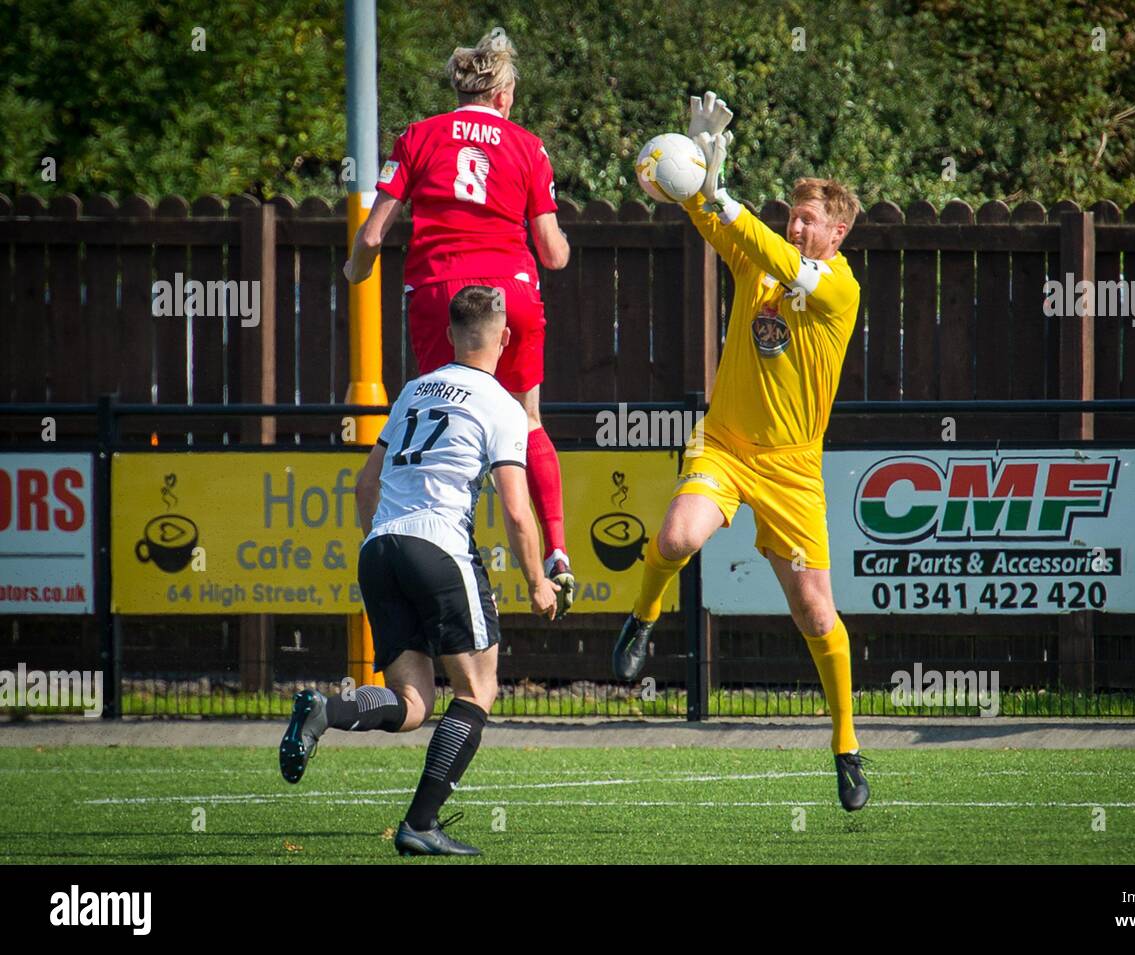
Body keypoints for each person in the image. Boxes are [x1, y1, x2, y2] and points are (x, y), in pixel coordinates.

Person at [611, 93, 870, 811]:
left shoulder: (839, 287)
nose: (797, 223)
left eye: (810, 217)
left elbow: (772, 252)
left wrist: (724, 196)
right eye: (793, 213)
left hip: (792, 469)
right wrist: (693, 181)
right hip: (725, 445)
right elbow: (716, 226)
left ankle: (846, 744)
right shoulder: (761, 263)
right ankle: (644, 616)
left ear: (837, 232)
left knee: (816, 613)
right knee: (675, 535)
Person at [279, 285, 560, 858]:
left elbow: (364, 484)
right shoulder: (503, 404)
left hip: (380, 548)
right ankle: (420, 824)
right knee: (478, 691)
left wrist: (386, 546)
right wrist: (537, 582)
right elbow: (515, 508)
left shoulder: (412, 391)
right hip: (438, 547)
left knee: (413, 705)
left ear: (451, 336)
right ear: (504, 338)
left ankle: (325, 710)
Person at [343, 29, 576, 616]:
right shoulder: (527, 145)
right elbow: (551, 253)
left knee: (442, 409)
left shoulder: (417, 138)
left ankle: (441, 542)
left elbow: (373, 234)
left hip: (439, 291)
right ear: (503, 93)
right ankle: (555, 551)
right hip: (512, 291)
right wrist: (565, 245)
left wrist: (354, 269)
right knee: (526, 418)